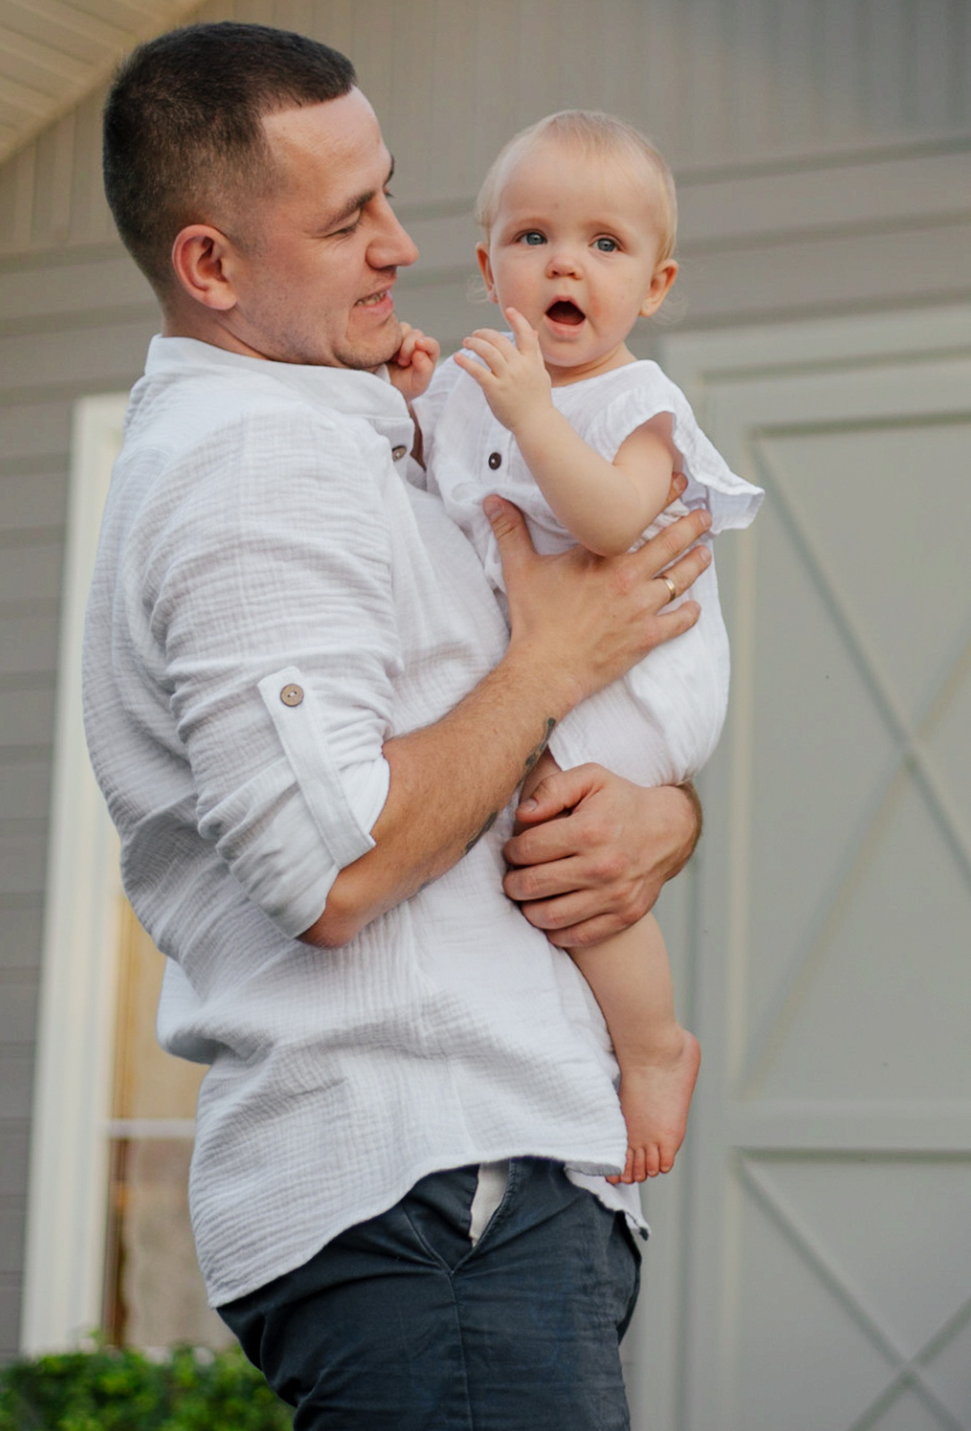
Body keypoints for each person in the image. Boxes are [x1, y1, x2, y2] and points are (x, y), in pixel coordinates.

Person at [83, 21, 704, 1428]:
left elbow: (506, 736)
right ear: (211, 265)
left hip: (474, 1194)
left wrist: (660, 815)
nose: (400, 245)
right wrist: (554, 663)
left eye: (389, 194)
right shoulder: (252, 467)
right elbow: (336, 866)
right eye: (349, 215)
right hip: (432, 1198)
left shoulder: (349, 422)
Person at [406, 109, 762, 1185]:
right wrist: (412, 397)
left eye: (605, 245)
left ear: (651, 287)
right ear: (487, 267)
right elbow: (432, 474)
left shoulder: (636, 403)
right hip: (556, 657)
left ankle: (654, 1047)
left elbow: (612, 519)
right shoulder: (473, 385)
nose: (567, 262)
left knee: (560, 826)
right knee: (528, 804)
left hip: (648, 665)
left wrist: (532, 414)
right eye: (534, 238)